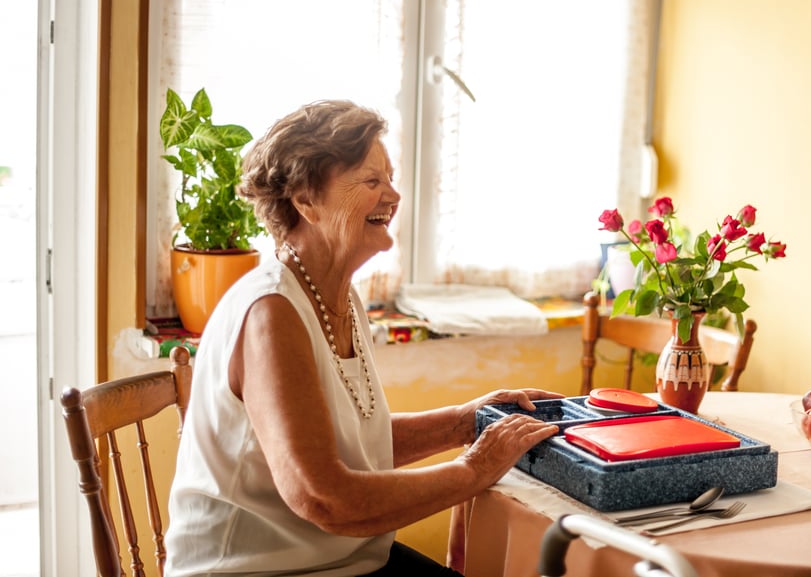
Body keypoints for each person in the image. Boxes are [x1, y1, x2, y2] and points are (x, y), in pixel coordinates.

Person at [164, 100, 562, 576]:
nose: (392, 196)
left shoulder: (341, 297)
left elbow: (353, 446)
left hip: (345, 562)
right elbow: (323, 497)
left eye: (390, 179)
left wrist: (465, 422)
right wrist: (474, 469)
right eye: (371, 181)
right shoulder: (271, 311)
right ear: (306, 201)